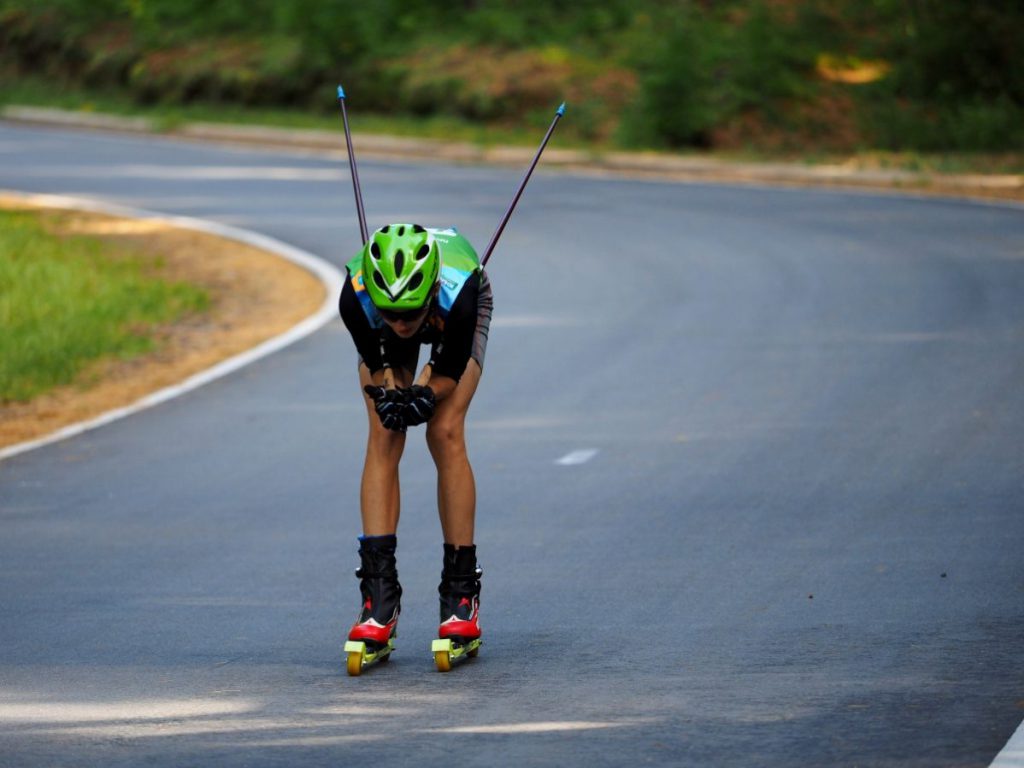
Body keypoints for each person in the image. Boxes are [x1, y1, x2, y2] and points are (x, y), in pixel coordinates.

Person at [338, 222, 493, 666]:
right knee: (385, 429)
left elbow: (444, 372)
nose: (402, 325)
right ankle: (378, 600)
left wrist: (423, 393)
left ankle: (461, 595)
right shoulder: (355, 297)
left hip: (455, 313)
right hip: (397, 311)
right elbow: (379, 361)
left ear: (427, 296)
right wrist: (392, 393)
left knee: (443, 430)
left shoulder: (460, 294)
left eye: (410, 314)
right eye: (391, 314)